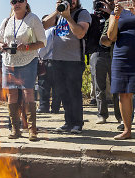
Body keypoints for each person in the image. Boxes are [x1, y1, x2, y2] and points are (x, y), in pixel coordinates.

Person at [0, 0, 46, 141]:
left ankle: (32, 130)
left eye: (19, 1)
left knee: (27, 92)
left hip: (28, 60)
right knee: (11, 94)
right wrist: (2, 45)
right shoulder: (6, 21)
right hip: (9, 62)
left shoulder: (33, 19)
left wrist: (26, 47)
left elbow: (42, 42)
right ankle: (15, 129)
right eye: (13, 1)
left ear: (25, 2)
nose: (16, 4)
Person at [43, 0, 91, 134]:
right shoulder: (58, 15)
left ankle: (77, 123)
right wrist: (58, 11)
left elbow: (80, 33)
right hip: (57, 59)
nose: (70, 2)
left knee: (74, 93)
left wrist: (68, 16)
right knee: (62, 92)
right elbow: (44, 25)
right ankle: (68, 122)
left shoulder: (82, 13)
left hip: (74, 60)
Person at [107, 0, 135, 140]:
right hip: (122, 57)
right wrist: (116, 16)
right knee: (124, 94)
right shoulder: (116, 12)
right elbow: (111, 36)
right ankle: (127, 130)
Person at [90, 0, 114, 124]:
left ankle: (120, 117)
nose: (101, 6)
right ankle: (102, 114)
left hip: (113, 53)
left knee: (117, 88)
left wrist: (111, 12)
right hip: (97, 53)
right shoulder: (92, 18)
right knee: (99, 87)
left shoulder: (116, 15)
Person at [37, 24, 61, 114]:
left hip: (48, 61)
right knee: (57, 86)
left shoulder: (49, 31)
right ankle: (55, 107)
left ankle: (43, 106)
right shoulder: (62, 30)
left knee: (44, 85)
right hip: (60, 61)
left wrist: (40, 57)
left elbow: (43, 48)